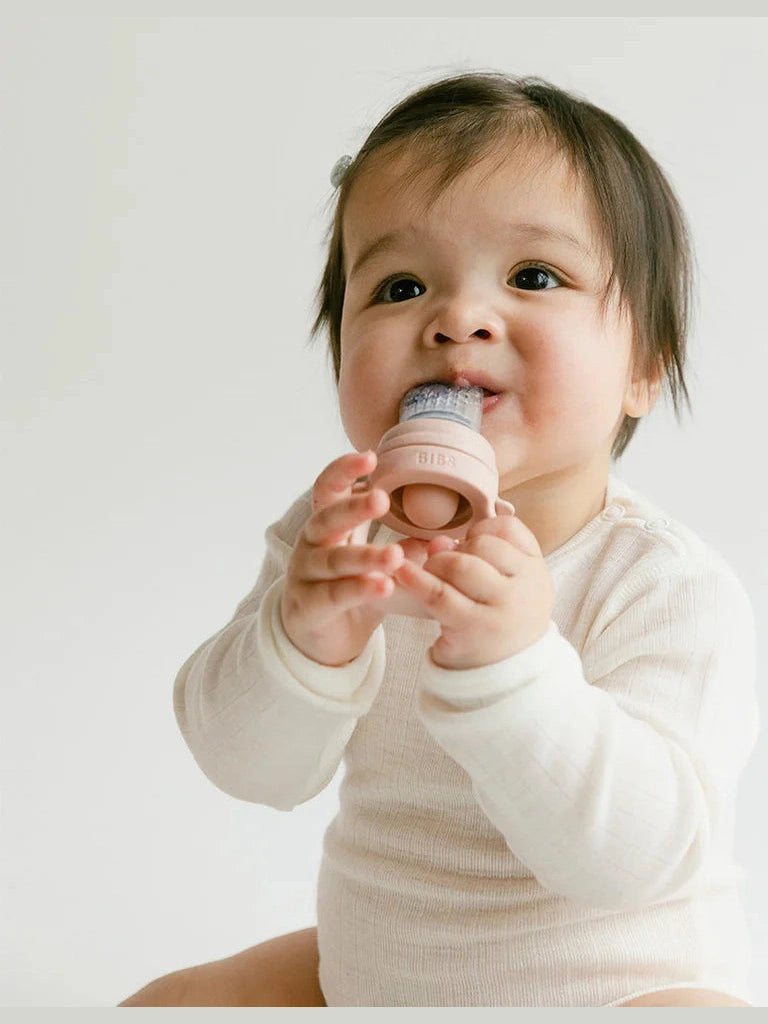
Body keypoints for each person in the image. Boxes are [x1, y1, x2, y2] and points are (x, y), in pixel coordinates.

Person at [119, 71, 759, 1007]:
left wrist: (514, 671)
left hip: (616, 994)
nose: (458, 319)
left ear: (644, 369)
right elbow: (247, 768)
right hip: (377, 984)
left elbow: (636, 859)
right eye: (401, 285)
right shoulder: (335, 538)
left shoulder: (662, 583)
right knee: (166, 1005)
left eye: (533, 276)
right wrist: (302, 643)